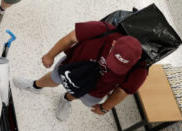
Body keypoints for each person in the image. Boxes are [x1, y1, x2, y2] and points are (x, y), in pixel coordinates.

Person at [13, 22, 147, 122]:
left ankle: (66, 99)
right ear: (113, 44)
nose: (113, 67)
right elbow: (70, 38)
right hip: (73, 66)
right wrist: (50, 55)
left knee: (78, 93)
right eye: (114, 60)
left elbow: (122, 91)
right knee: (55, 78)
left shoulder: (140, 70)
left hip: (95, 88)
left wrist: (105, 107)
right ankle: (35, 85)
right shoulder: (103, 30)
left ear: (137, 60)